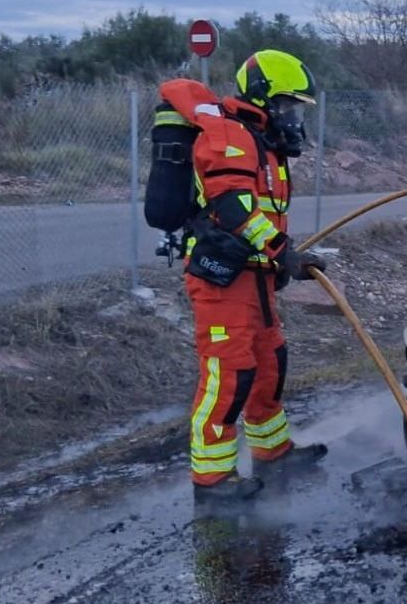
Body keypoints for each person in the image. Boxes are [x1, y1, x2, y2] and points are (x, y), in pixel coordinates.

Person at [165, 49, 329, 505]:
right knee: (228, 373)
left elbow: (265, 216)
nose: (295, 117)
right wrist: (284, 253)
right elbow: (233, 207)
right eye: (290, 105)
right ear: (266, 100)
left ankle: (272, 452)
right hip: (224, 280)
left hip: (253, 277)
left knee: (269, 364)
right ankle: (212, 480)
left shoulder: (261, 144)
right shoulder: (229, 136)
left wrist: (279, 261)